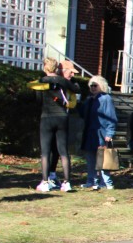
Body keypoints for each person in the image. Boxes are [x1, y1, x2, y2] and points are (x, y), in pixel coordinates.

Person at [33, 58, 80, 192]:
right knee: (63, 151)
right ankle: (67, 183)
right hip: (62, 117)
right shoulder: (62, 81)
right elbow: (76, 89)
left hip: (47, 117)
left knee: (45, 152)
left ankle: (45, 182)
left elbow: (38, 100)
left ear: (45, 68)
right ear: (57, 68)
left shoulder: (41, 81)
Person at [80, 75, 118, 190]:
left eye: (95, 85)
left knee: (103, 158)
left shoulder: (106, 98)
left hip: (101, 133)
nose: (92, 88)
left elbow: (111, 116)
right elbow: (82, 114)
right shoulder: (89, 100)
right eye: (91, 85)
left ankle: (106, 182)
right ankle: (91, 181)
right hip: (89, 133)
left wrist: (109, 133)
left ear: (101, 85)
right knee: (90, 159)